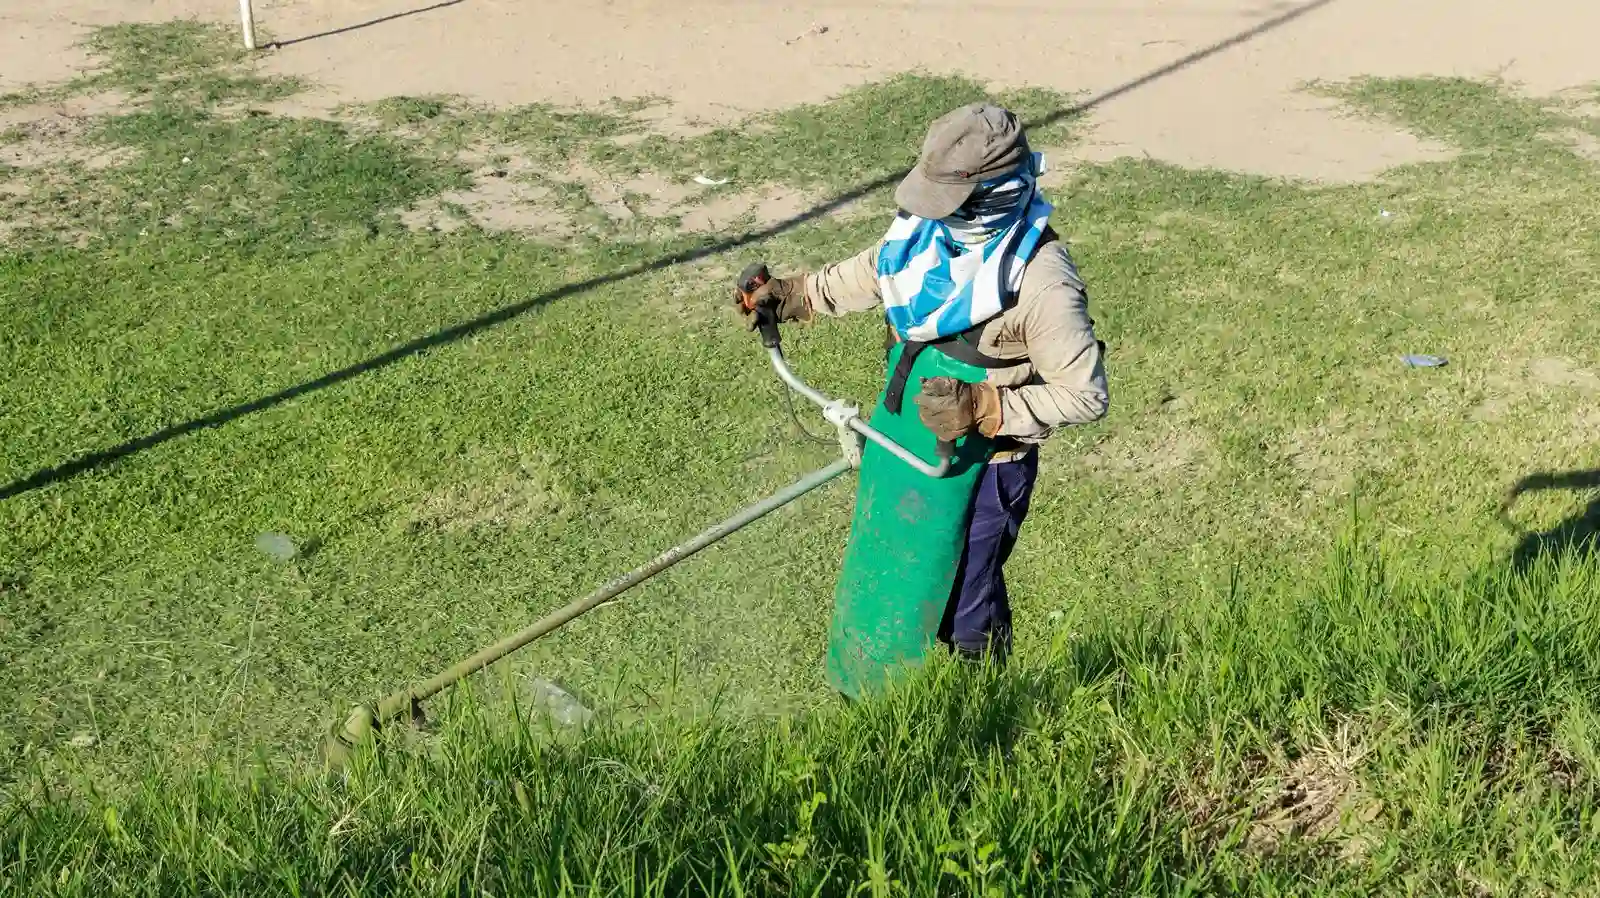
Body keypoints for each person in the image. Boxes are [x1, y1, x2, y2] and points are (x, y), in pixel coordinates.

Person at [737, 103, 1109, 664]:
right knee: (897, 574)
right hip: (903, 443)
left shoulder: (1042, 284)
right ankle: (897, 693)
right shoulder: (926, 235)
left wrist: (984, 407)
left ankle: (985, 698)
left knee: (964, 604)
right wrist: (800, 294)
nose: (934, 215)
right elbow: (876, 270)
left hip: (983, 470)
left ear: (989, 197)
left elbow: (1085, 394)